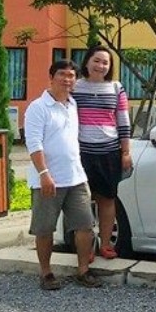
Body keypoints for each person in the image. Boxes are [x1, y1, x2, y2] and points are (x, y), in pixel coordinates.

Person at [25, 59, 102, 290]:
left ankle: (83, 270)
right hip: (48, 179)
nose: (67, 80)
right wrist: (44, 173)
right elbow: (34, 143)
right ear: (51, 77)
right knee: (45, 228)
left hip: (76, 177)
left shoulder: (73, 104)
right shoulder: (38, 107)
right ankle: (46, 273)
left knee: (85, 226)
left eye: (71, 76)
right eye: (62, 74)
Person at [71, 45, 131, 260]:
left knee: (107, 199)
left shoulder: (116, 87)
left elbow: (123, 120)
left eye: (105, 62)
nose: (101, 66)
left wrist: (126, 151)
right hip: (81, 152)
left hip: (109, 152)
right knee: (82, 201)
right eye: (96, 61)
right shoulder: (75, 87)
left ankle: (105, 245)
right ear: (87, 62)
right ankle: (86, 248)